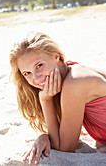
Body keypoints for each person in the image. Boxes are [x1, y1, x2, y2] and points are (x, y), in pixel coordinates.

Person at [9, 32, 106, 165]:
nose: (36, 78)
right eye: (27, 73)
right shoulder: (69, 72)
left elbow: (65, 149)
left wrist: (45, 100)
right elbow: (63, 134)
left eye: (39, 65)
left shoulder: (75, 82)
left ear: (56, 56)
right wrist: (44, 136)